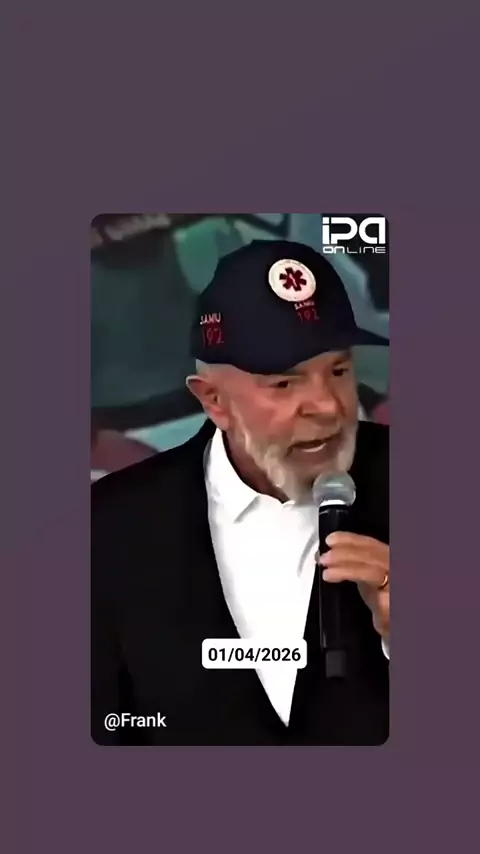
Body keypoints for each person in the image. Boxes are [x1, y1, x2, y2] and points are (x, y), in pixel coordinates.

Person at [91, 239, 390, 746]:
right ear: (214, 401)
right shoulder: (112, 527)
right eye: (285, 384)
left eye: (338, 371)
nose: (328, 406)